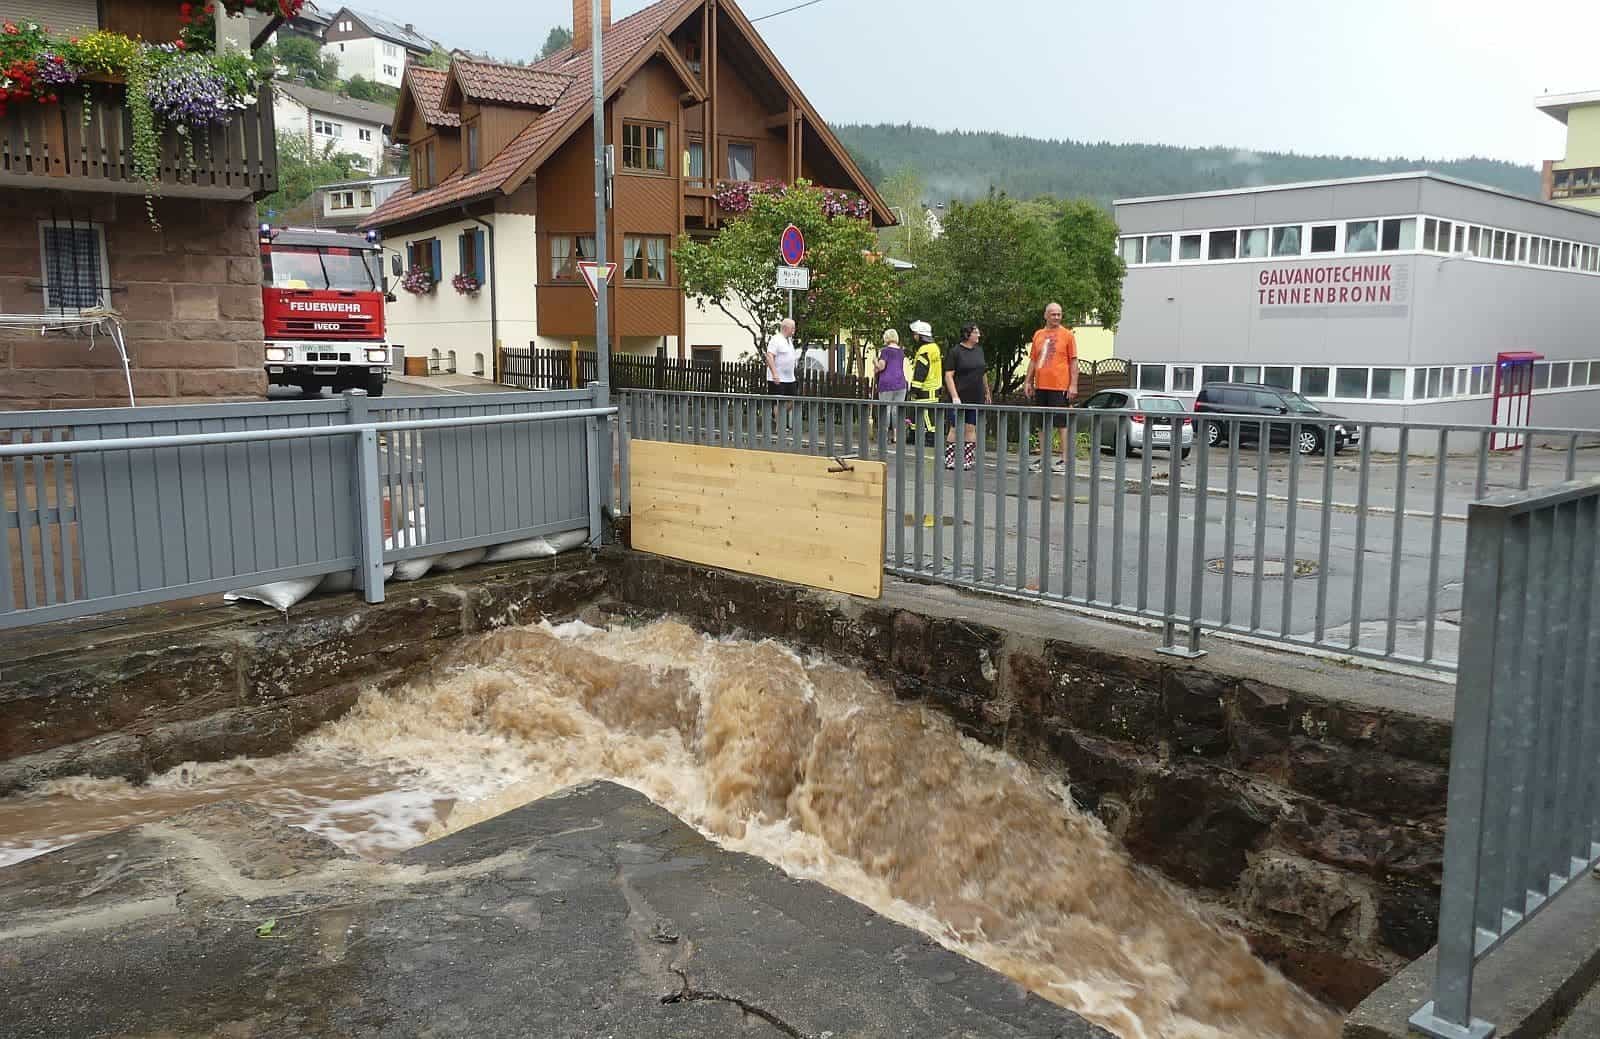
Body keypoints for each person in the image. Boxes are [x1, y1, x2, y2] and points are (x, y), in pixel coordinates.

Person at [1025, 302, 1079, 475]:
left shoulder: (1067, 335)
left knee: (1061, 423)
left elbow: (1074, 361)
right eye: (1053, 314)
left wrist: (1073, 385)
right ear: (1046, 315)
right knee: (1042, 424)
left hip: (1060, 385)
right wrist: (1028, 381)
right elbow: (1033, 360)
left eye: (1059, 314)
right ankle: (1044, 458)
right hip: (1041, 385)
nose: (1056, 317)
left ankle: (1065, 460)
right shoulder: (1038, 335)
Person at [943, 323, 990, 470]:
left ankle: (967, 458)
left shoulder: (979, 351)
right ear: (967, 334)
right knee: (955, 427)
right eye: (976, 333)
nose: (978, 335)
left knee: (971, 428)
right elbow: (949, 375)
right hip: (960, 395)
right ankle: (950, 458)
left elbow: (983, 372)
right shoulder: (955, 352)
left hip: (976, 395)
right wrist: (955, 396)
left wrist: (987, 391)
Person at [905, 319, 943, 445]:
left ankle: (930, 438)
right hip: (934, 387)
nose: (914, 337)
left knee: (924, 413)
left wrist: (914, 389)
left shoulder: (924, 350)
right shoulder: (934, 348)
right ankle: (914, 435)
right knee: (920, 412)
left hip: (925, 389)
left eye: (915, 334)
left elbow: (921, 372)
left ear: (921, 335)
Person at [765, 317, 798, 429]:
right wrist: (774, 374)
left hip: (790, 378)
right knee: (778, 402)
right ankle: (779, 427)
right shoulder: (776, 339)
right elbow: (769, 356)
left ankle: (777, 417)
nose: (794, 330)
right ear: (785, 328)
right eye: (792, 328)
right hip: (777, 377)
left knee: (792, 400)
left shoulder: (789, 341)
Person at [875, 328, 908, 436]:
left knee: (886, 409)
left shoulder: (885, 351)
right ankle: (896, 436)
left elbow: (881, 367)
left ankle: (883, 436)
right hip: (901, 383)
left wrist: (875, 361)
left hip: (886, 383)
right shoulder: (901, 351)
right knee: (897, 410)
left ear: (886, 338)